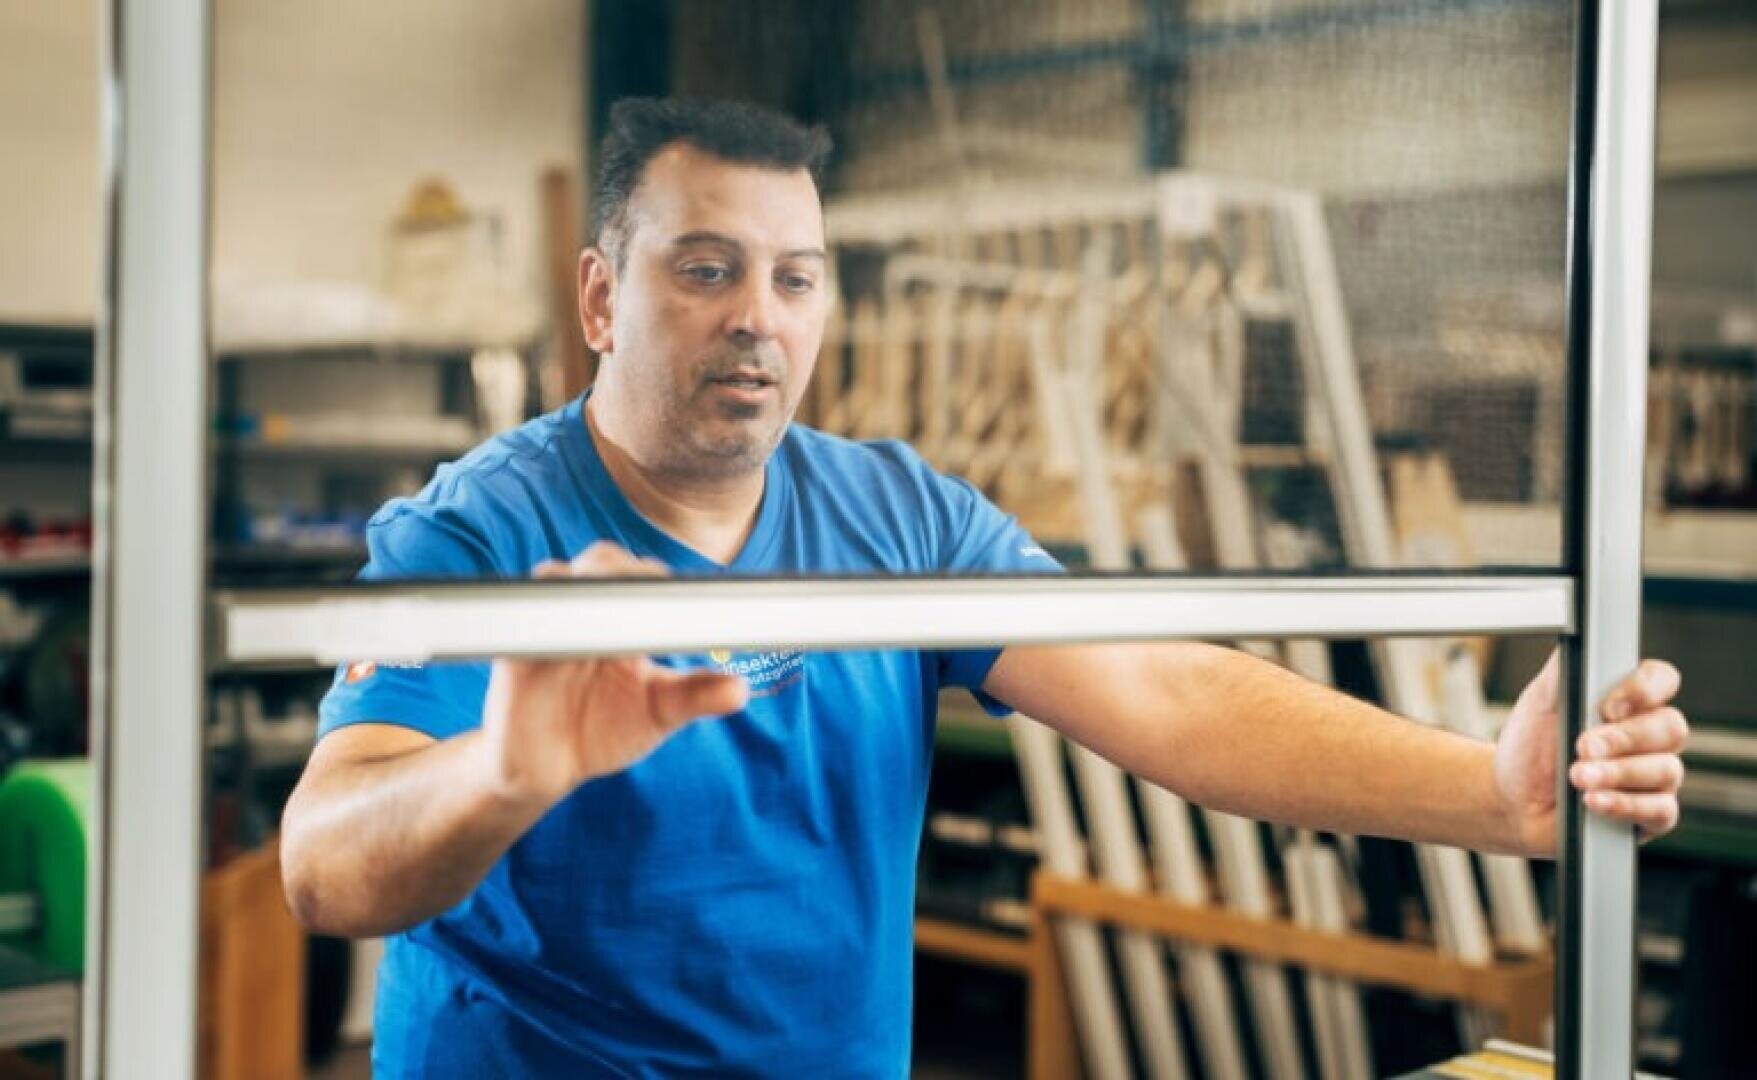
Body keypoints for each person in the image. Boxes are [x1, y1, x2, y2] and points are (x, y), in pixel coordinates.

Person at [281, 97, 1689, 1078]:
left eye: (796, 278)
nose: (757, 317)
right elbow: (323, 866)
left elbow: (1164, 695)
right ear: (599, 299)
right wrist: (503, 775)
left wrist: (1491, 795)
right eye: (704, 270)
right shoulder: (477, 532)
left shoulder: (895, 515)